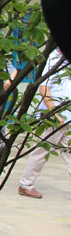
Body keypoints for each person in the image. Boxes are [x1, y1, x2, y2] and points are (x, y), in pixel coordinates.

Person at [17, 47, 71, 199]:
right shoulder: (52, 58)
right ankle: (26, 185)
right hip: (52, 117)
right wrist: (55, 113)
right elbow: (43, 88)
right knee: (41, 151)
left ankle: (26, 184)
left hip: (68, 117)